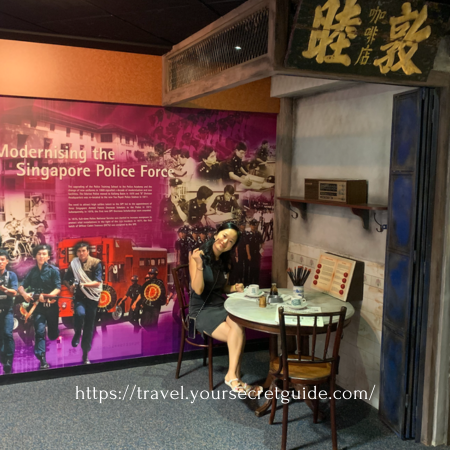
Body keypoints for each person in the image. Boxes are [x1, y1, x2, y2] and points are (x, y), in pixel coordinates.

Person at [189, 222, 262, 396]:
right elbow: (198, 289)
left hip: (220, 306)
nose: (225, 242)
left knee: (238, 324)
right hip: (202, 310)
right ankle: (235, 378)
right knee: (237, 334)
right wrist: (199, 264)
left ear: (232, 246)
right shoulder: (198, 255)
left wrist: (233, 288)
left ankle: (233, 377)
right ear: (216, 234)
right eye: (224, 236)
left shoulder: (224, 261)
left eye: (230, 241)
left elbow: (220, 287)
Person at [18, 244, 60, 370]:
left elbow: (57, 288)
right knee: (39, 331)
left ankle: (53, 334)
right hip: (38, 308)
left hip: (52, 307)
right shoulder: (32, 272)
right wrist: (24, 294)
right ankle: (42, 358)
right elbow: (21, 286)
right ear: (35, 256)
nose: (41, 256)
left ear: (48, 256)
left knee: (52, 334)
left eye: (44, 254)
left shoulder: (54, 270)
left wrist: (47, 296)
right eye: (39, 254)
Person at [63, 241, 102, 365]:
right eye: (79, 251)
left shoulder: (96, 263)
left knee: (89, 326)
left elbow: (98, 282)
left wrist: (83, 284)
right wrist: (70, 286)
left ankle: (85, 354)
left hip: (92, 299)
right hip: (79, 297)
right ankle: (77, 333)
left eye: (83, 251)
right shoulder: (74, 263)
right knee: (79, 314)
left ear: (88, 251)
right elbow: (65, 279)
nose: (81, 253)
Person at [0, 250, 18, 374]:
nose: (0, 262)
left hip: (7, 311)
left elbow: (14, 292)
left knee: (7, 334)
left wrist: (4, 289)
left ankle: (9, 360)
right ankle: (3, 359)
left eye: (2, 259)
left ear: (7, 261)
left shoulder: (11, 275)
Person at [246, 219, 264, 285]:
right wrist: (248, 254)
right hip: (251, 253)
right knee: (251, 268)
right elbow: (247, 245)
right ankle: (250, 282)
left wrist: (262, 250)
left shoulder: (258, 234)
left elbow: (262, 243)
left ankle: (256, 282)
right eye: (252, 225)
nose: (254, 226)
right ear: (250, 225)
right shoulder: (248, 234)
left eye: (255, 225)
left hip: (257, 253)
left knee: (257, 268)